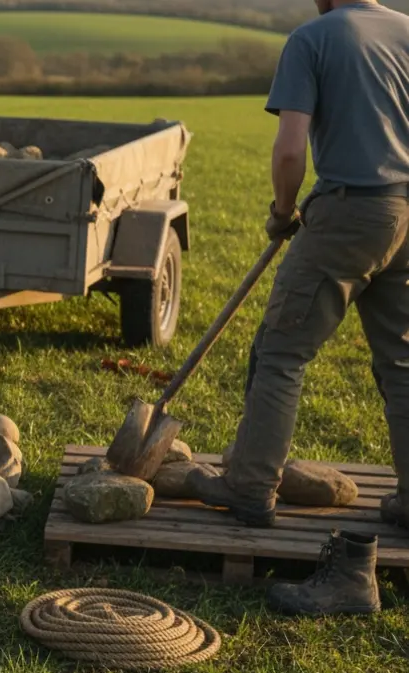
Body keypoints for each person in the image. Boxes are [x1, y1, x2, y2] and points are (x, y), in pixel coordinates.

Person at [187, 0, 409, 615]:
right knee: (402, 363)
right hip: (407, 213)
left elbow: (290, 151)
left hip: (349, 211)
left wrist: (283, 213)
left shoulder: (313, 38)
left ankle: (250, 487)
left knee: (282, 351)